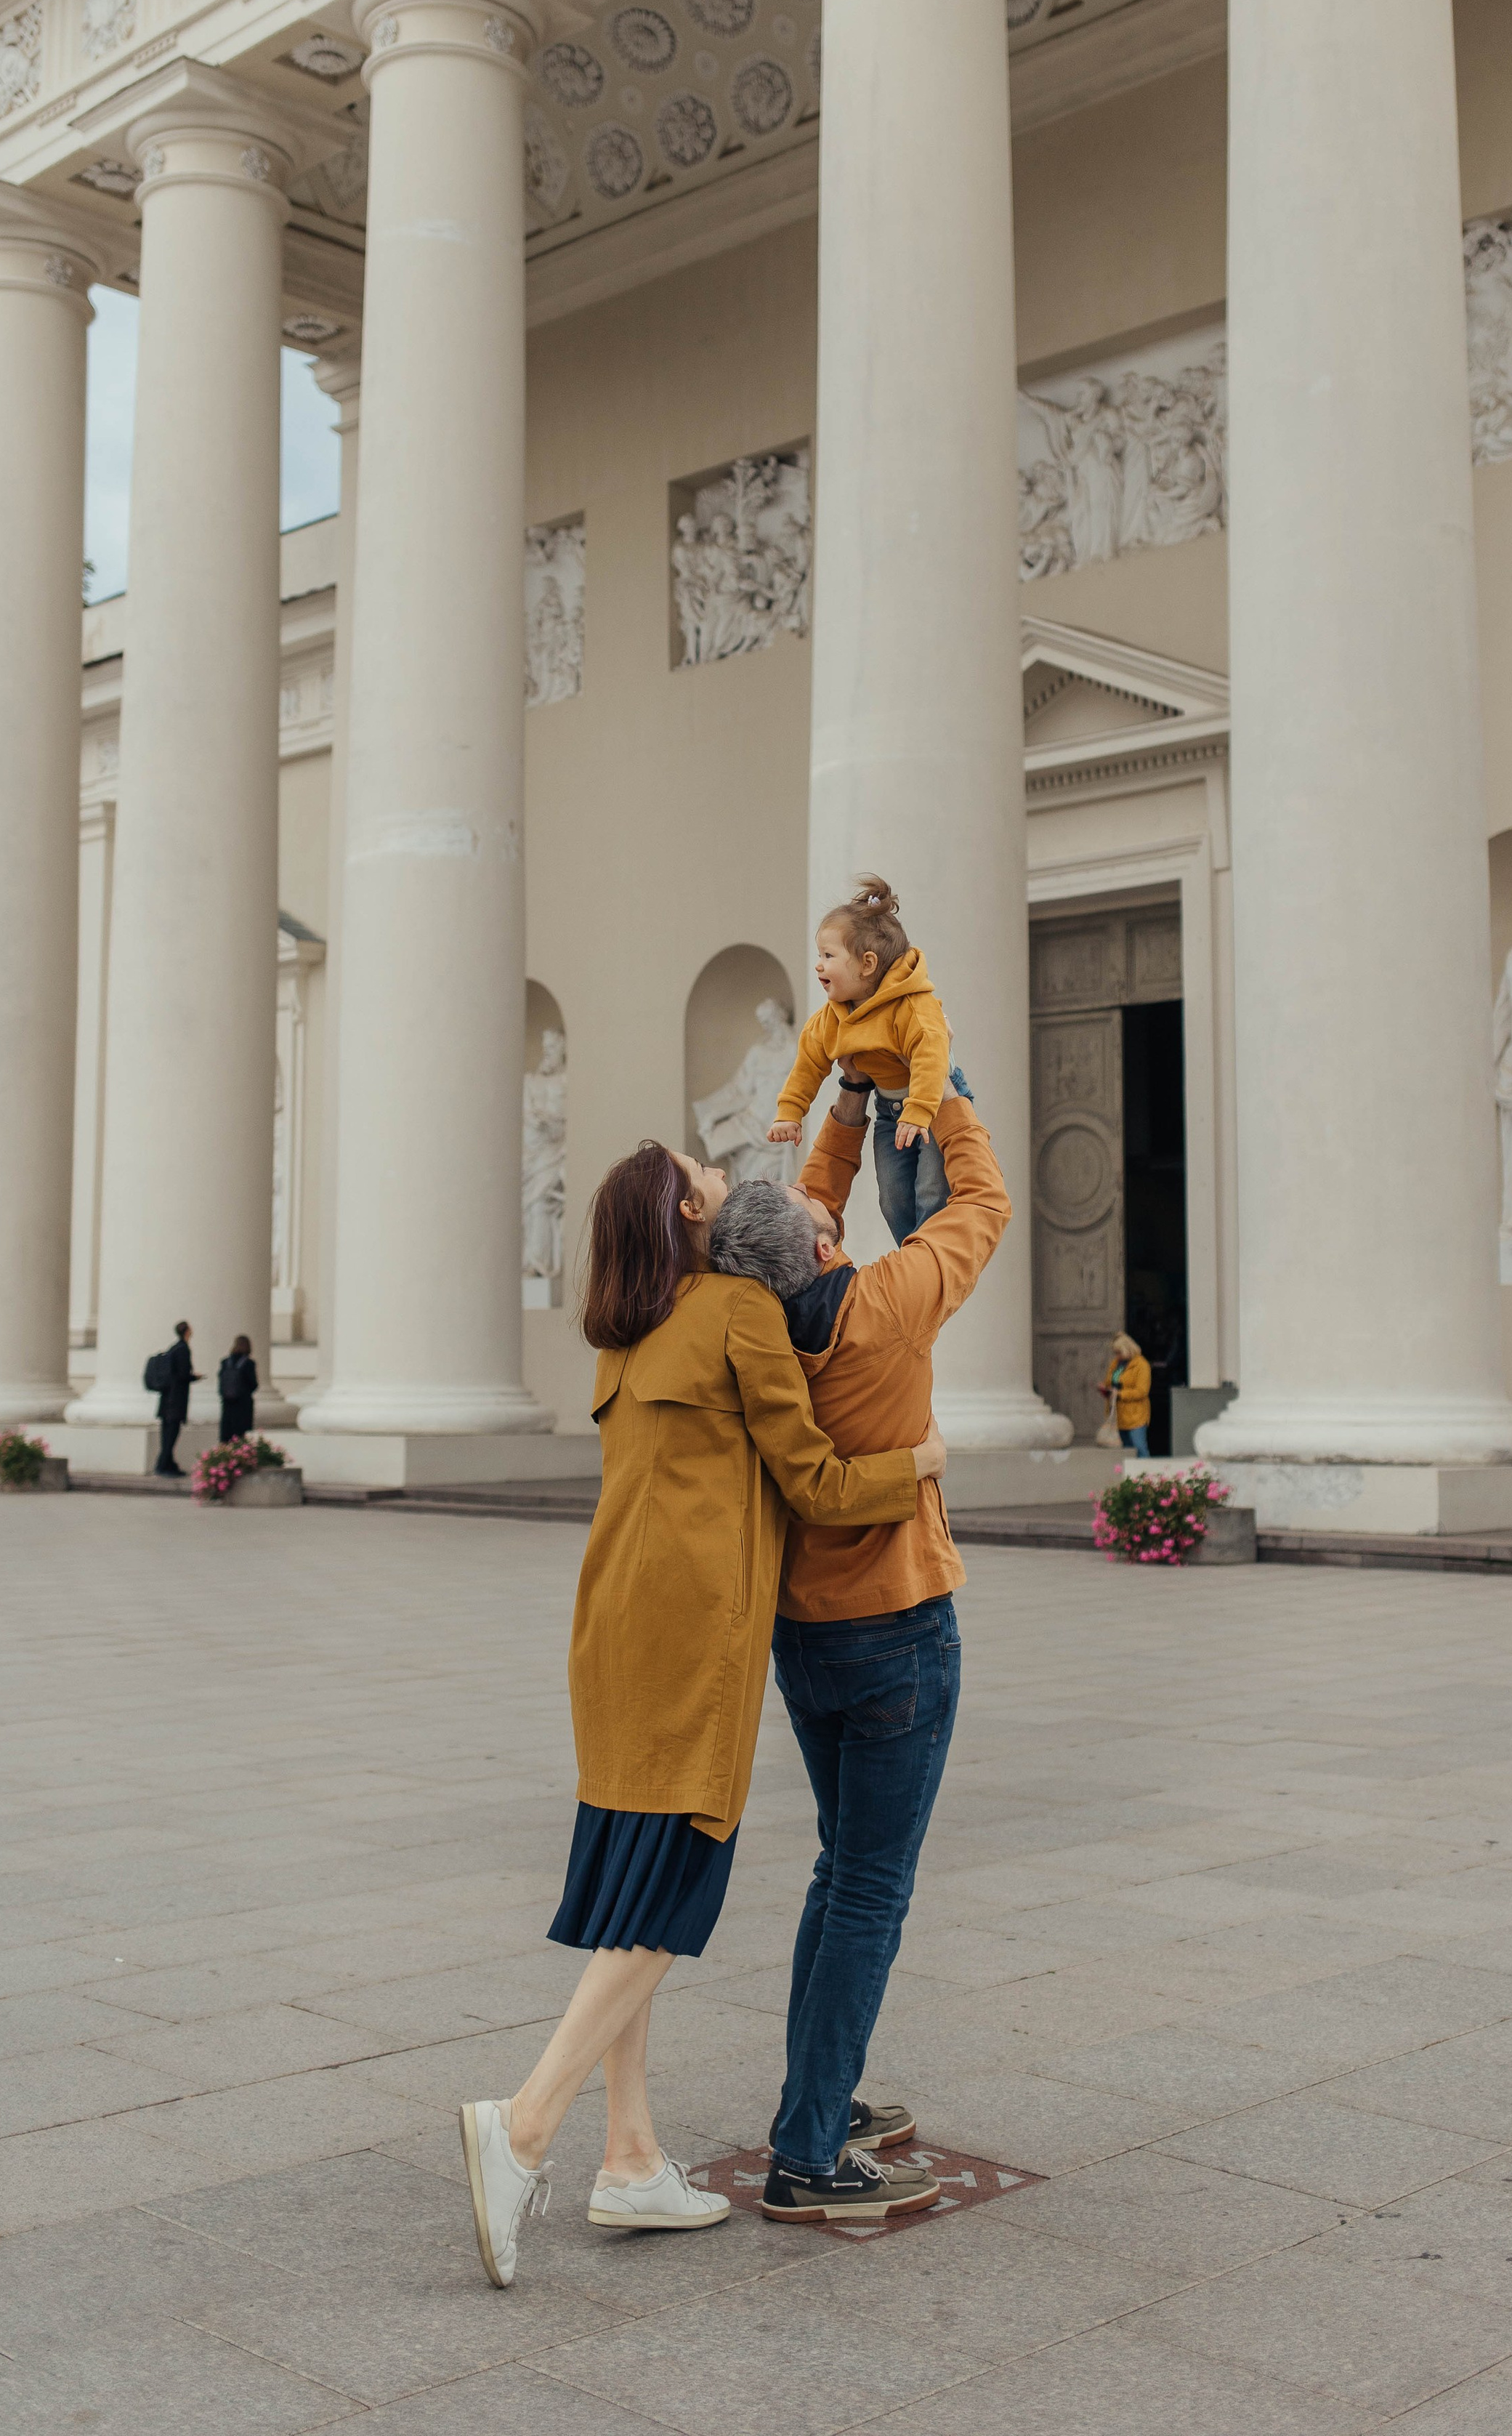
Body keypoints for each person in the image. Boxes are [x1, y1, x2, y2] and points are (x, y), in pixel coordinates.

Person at [458, 1139, 946, 2288]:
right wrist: (917, 1462)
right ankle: (525, 2125)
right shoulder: (735, 1308)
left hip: (608, 1629)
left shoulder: (619, 1337)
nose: (720, 1173)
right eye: (705, 1169)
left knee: (633, 1876)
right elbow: (813, 1481)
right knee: (672, 1897)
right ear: (688, 1206)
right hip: (690, 1634)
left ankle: (630, 2160)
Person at [710, 1054, 1011, 2220]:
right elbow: (978, 1207)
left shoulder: (747, 1324)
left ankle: (819, 2099)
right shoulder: (885, 1309)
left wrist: (843, 1110)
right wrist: (946, 1100)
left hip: (807, 1639)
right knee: (873, 1887)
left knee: (843, 1875)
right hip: (899, 1630)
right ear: (829, 1250)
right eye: (823, 1215)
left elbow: (790, 1222)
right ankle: (806, 2151)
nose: (829, 1203)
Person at [768, 877, 969, 1243]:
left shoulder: (911, 1005)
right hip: (891, 1111)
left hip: (933, 1104)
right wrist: (790, 1112)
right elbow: (808, 1064)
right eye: (819, 956)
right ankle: (914, 1260)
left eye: (828, 956)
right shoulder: (832, 1017)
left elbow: (930, 1053)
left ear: (867, 964)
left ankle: (929, 1260)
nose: (818, 966)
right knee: (892, 1198)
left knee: (931, 1190)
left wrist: (920, 1109)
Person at [153, 1321, 197, 1477]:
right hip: (176, 1399)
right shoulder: (183, 1349)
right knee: (171, 1434)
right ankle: (162, 1465)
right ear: (187, 1331)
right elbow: (183, 1374)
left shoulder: (173, 1348)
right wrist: (194, 1377)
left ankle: (169, 1464)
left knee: (167, 1433)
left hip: (166, 1399)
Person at [1101, 1332, 1153, 1457]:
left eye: (1119, 1352)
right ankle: (1130, 1475)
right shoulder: (1116, 1364)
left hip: (1136, 1415)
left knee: (1139, 1447)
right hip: (1119, 1414)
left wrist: (1120, 1394)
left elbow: (1142, 1391)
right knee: (1126, 1449)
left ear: (1128, 1349)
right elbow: (1110, 1382)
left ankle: (1145, 1474)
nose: (1117, 1356)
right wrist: (1106, 1389)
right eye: (1115, 1353)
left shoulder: (1142, 1365)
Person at [217, 1335, 258, 1443]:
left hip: (227, 1403)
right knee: (242, 1435)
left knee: (227, 1434)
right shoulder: (249, 1364)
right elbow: (254, 1384)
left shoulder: (225, 1362)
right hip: (243, 1404)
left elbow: (221, 1381)